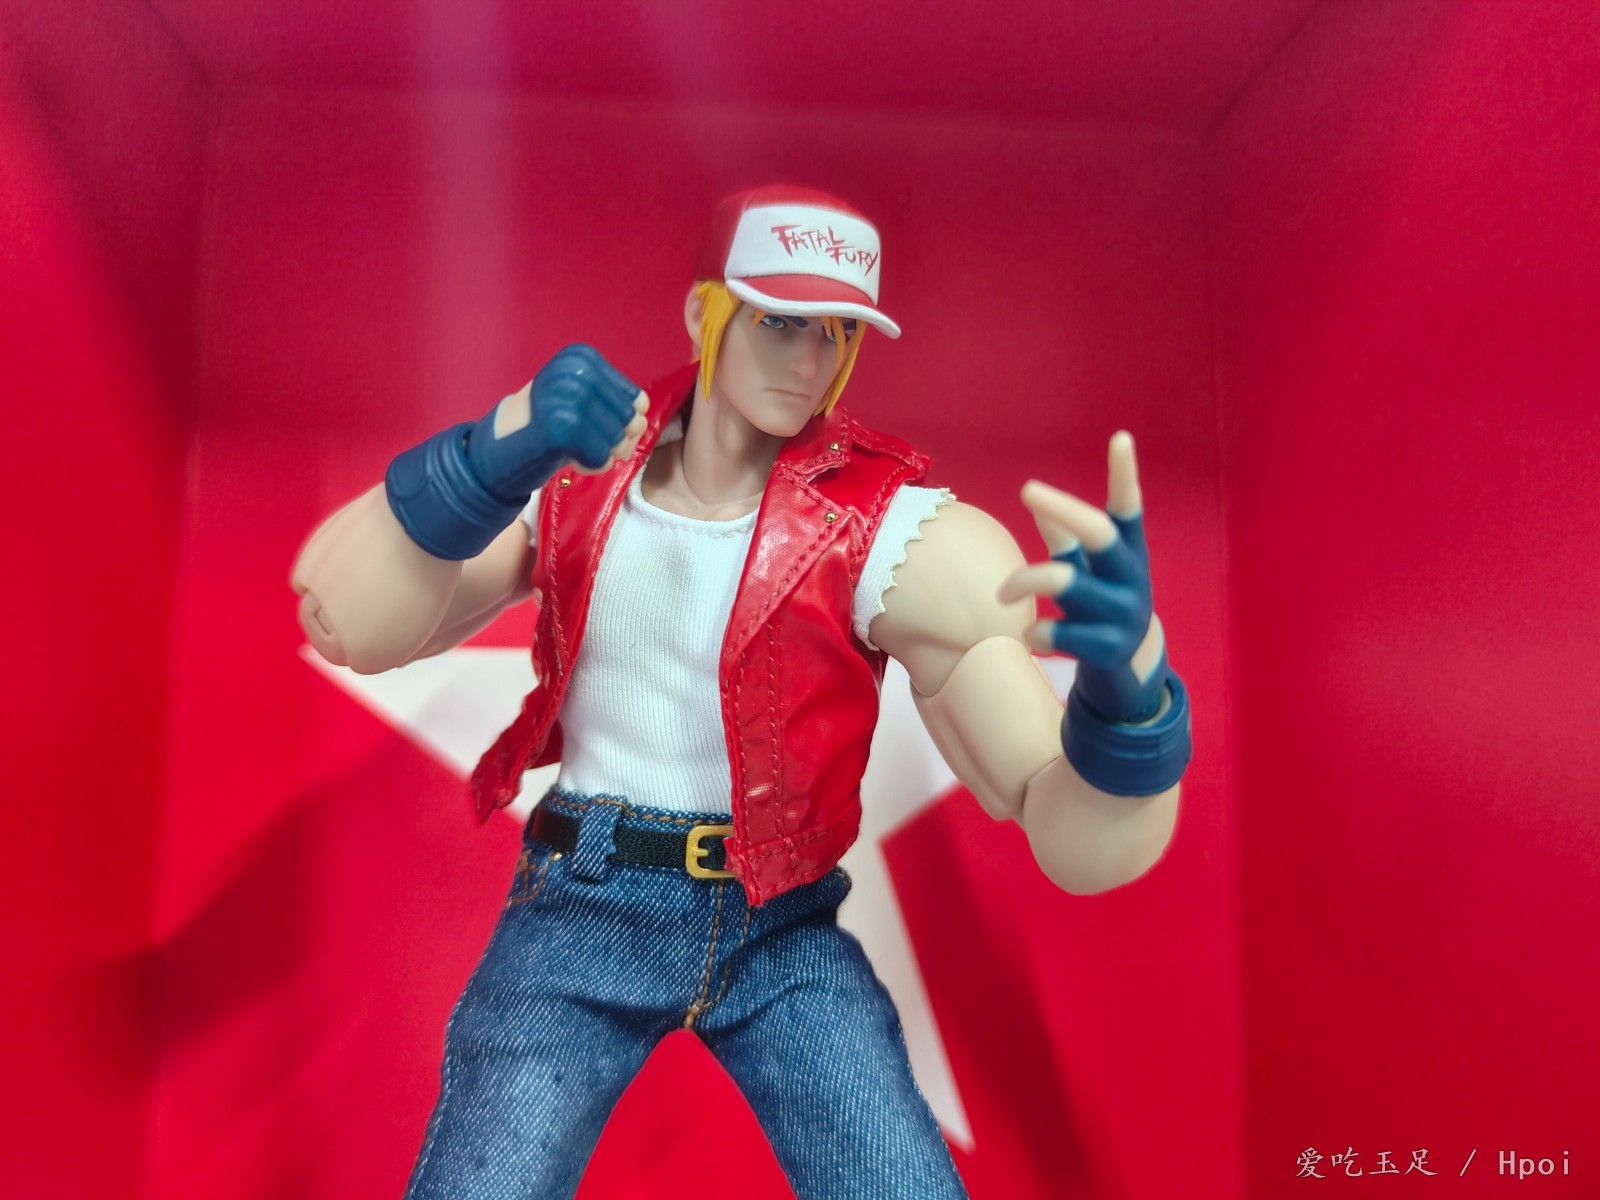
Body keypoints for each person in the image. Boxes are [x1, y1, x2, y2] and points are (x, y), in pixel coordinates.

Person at [292, 184, 1191, 1200]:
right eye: (778, 323)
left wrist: (1129, 698)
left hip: (780, 929)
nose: (808, 363)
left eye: (837, 333)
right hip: (581, 902)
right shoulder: (577, 475)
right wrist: (492, 453)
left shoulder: (892, 531)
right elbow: (344, 620)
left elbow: (1061, 821)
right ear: (704, 312)